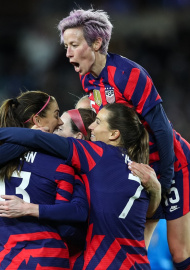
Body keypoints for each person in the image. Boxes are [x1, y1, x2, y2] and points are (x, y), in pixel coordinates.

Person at [58, 8, 190, 269]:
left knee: (179, 252)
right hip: (138, 167)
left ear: (96, 44)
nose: (68, 53)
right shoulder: (88, 80)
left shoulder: (128, 75)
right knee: (134, 250)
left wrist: (163, 179)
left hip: (170, 164)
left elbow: (162, 129)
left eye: (74, 45)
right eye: (66, 46)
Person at [0, 103, 161, 269]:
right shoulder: (139, 171)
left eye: (98, 122)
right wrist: (157, 192)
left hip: (103, 262)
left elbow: (35, 138)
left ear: (114, 134)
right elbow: (149, 219)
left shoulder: (98, 154)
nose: (91, 126)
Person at [0, 91, 88, 269]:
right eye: (56, 115)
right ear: (37, 121)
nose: (60, 121)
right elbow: (66, 228)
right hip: (48, 259)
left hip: (6, 260)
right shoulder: (61, 165)